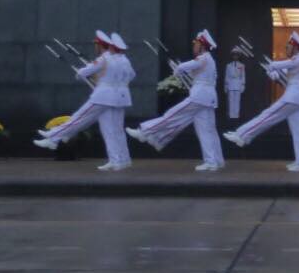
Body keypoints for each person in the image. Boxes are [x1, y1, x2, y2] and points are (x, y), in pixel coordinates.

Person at [35, 31, 136, 170]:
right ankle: (120, 160)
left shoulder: (104, 59)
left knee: (79, 118)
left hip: (103, 96)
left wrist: (81, 73)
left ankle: (53, 137)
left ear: (102, 46)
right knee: (113, 130)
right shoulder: (125, 60)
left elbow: (84, 72)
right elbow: (131, 75)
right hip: (121, 97)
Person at [127, 30, 224, 171]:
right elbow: (194, 73)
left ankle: (144, 132)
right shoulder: (208, 60)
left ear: (203, 45)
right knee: (206, 130)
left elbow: (186, 66)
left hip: (199, 96)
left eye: (196, 44)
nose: (194, 46)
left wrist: (178, 68)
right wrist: (178, 69)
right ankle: (214, 161)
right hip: (207, 97)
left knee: (172, 115)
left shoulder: (203, 58)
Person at [223, 31, 299, 171]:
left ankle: (242, 135)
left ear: (295, 47)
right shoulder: (296, 61)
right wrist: (273, 72)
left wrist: (272, 65)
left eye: (288, 46)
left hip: (293, 97)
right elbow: (281, 72)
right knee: (297, 131)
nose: (286, 48)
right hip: (298, 99)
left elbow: (282, 65)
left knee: (268, 115)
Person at [224, 54, 246, 120]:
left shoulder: (241, 65)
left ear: (238, 57)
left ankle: (236, 115)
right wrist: (225, 85)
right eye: (234, 55)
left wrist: (243, 84)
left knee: (237, 101)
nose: (235, 57)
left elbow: (243, 76)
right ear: (232, 56)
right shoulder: (228, 65)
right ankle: (231, 115)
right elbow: (227, 76)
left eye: (236, 55)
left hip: (238, 83)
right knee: (231, 100)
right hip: (231, 83)